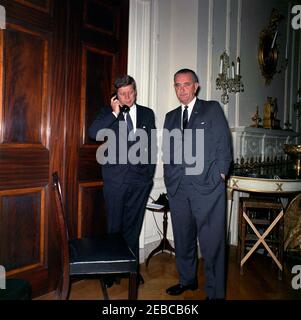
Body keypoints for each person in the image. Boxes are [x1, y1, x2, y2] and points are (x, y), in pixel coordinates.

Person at [163, 68, 232, 299]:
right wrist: (168, 176)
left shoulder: (211, 109)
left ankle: (215, 294)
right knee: (183, 238)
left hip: (207, 188)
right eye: (177, 85)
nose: (181, 89)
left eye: (186, 84)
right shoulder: (171, 116)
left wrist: (221, 174)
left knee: (212, 244)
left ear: (196, 86)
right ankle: (187, 280)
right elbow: (168, 151)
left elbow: (224, 144)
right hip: (178, 188)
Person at [89, 75, 156, 286]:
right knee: (114, 226)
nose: (127, 97)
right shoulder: (108, 114)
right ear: (116, 96)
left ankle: (131, 270)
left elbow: (151, 146)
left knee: (133, 228)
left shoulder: (147, 113)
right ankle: (111, 272)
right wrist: (114, 113)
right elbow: (93, 133)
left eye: (130, 92)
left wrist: (149, 175)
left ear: (135, 91)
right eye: (122, 94)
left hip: (140, 181)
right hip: (115, 181)